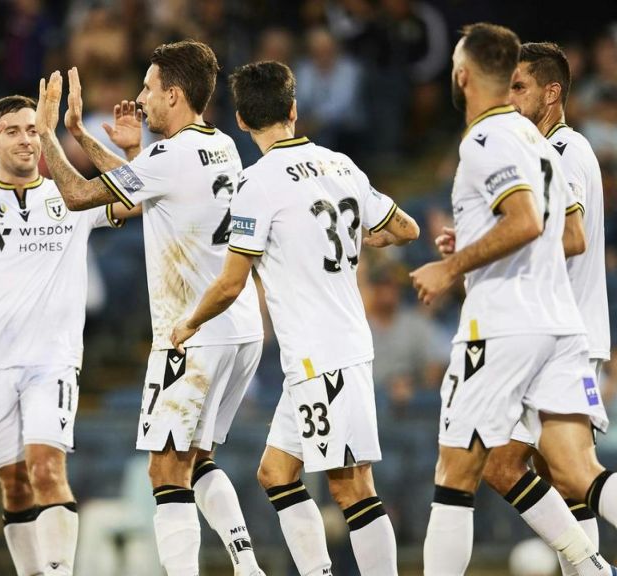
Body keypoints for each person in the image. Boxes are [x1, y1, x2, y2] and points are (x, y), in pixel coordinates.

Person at [171, 60, 420, 576]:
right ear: (293, 109)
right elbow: (408, 229)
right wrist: (365, 238)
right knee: (275, 472)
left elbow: (231, 282)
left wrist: (188, 323)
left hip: (322, 352)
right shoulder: (340, 165)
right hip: (319, 352)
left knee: (352, 484)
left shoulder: (256, 184)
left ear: (240, 120)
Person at [36, 40, 266, 576]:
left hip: (192, 331)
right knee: (197, 458)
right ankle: (248, 565)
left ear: (175, 95)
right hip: (240, 328)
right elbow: (145, 195)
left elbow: (77, 196)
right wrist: (87, 138)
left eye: (148, 89)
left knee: (165, 471)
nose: (140, 99)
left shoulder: (169, 156)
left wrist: (50, 132)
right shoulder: (223, 146)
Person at [410, 23, 617, 576]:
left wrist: (452, 266)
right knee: (554, 470)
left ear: (463, 74)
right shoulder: (539, 145)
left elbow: (538, 226)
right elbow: (553, 227)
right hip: (560, 324)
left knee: (455, 471)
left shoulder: (493, 139)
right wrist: (478, 238)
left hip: (508, 323)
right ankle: (591, 567)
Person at [0, 91, 136, 576]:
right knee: (15, 485)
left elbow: (134, 196)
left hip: (53, 361)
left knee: (47, 468)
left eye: (33, 129)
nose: (26, 139)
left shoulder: (71, 194)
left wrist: (92, 140)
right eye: (14, 130)